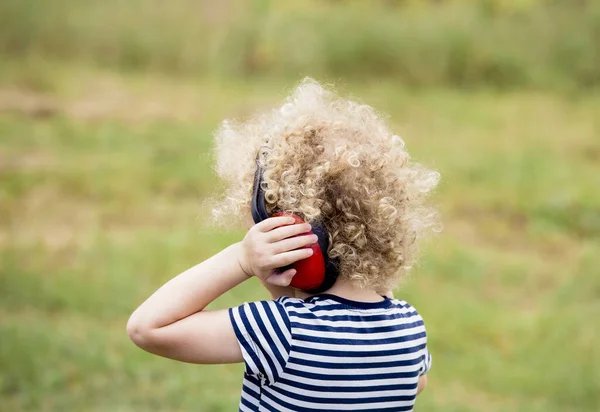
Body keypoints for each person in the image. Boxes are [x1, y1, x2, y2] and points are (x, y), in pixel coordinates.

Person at [127, 78, 440, 411]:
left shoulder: (283, 331)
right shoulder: (408, 327)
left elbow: (148, 328)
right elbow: (414, 384)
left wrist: (242, 261)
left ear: (287, 230)